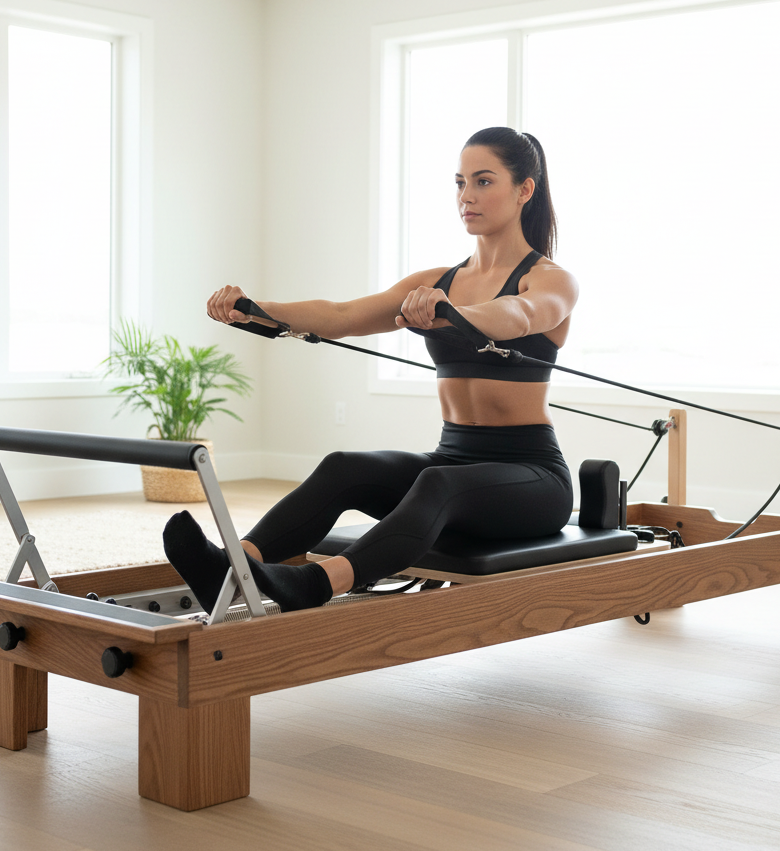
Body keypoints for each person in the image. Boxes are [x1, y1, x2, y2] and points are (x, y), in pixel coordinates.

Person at [163, 126, 579, 613]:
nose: (466, 196)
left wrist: (454, 314)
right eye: (460, 182)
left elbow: (518, 316)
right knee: (346, 466)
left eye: (483, 181)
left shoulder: (550, 280)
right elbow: (343, 316)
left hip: (532, 476)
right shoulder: (436, 281)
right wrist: (255, 309)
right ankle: (232, 568)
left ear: (524, 189)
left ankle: (317, 583)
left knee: (438, 485)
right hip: (453, 459)